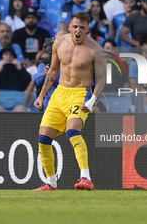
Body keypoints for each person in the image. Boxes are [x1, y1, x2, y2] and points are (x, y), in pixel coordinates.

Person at [33, 12, 106, 190]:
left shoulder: (95, 49)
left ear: (87, 28)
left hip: (81, 93)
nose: (78, 30)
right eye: (75, 26)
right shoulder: (59, 43)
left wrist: (93, 100)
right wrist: (42, 95)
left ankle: (85, 177)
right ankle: (51, 182)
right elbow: (52, 71)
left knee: (72, 130)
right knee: (43, 138)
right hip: (59, 94)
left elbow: (102, 79)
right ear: (69, 27)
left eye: (82, 27)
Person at [0, 45, 31, 112]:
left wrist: (20, 69)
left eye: (11, 55)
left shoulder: (19, 68)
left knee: (21, 109)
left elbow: (29, 82)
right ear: (2, 56)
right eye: (6, 54)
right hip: (0, 101)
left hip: (18, 100)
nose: (8, 57)